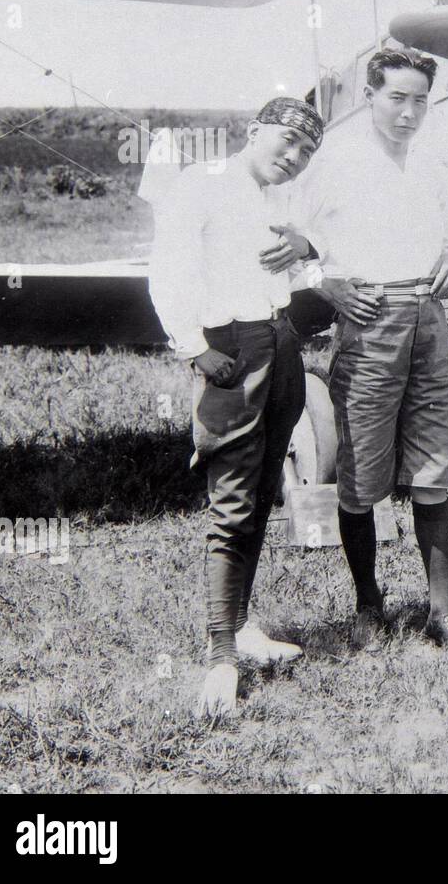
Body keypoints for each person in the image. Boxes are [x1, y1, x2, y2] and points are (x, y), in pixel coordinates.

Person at [286, 48, 448, 653]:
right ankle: (370, 602)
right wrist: (326, 283)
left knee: (434, 469)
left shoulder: (436, 160)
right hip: (369, 319)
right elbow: (288, 239)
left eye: (420, 99)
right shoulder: (335, 160)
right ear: (370, 95)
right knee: (362, 471)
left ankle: (441, 610)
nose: (409, 111)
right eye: (397, 97)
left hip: (428, 318)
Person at [149, 96, 324, 716]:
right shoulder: (203, 183)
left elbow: (318, 255)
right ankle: (221, 657)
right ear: (254, 131)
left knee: (259, 492)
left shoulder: (283, 198)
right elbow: (167, 271)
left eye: (306, 151)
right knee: (230, 501)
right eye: (286, 142)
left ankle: (243, 627)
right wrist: (195, 350)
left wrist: (308, 246)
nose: (294, 157)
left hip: (280, 341)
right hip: (229, 346)